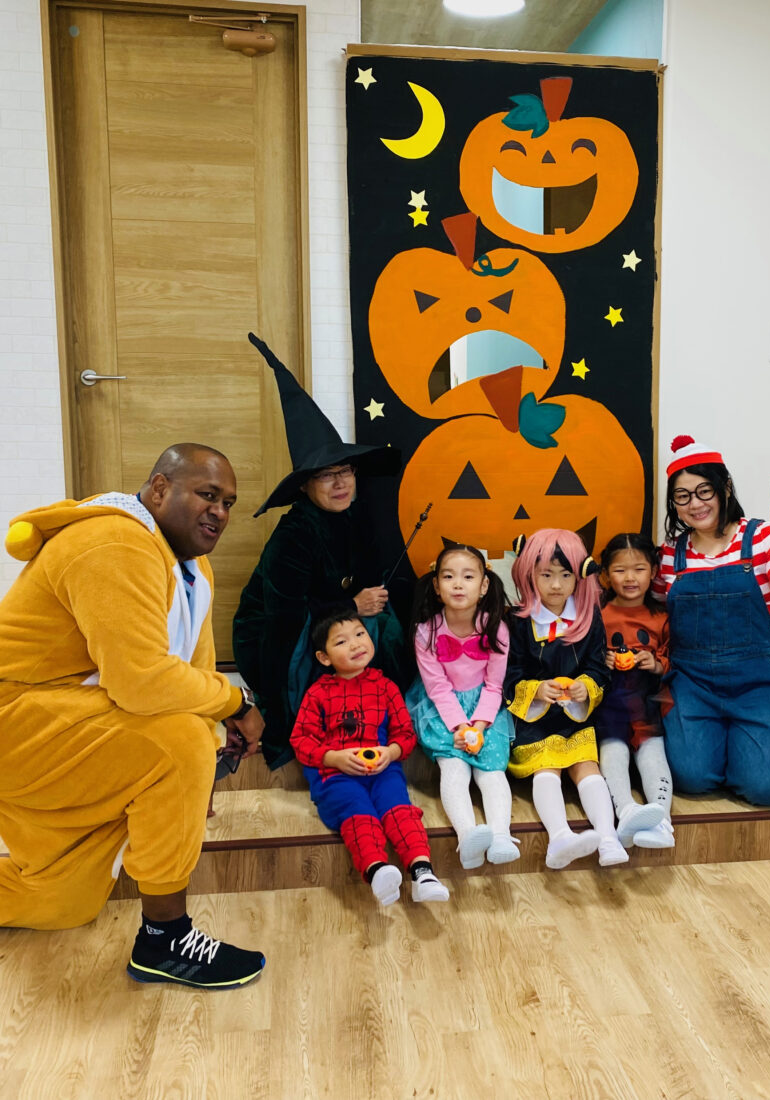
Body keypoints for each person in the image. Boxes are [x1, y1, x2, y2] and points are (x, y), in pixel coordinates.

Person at [0, 444, 266, 989]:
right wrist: (237, 705)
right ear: (160, 488)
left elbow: (192, 672)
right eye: (208, 494)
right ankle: (165, 941)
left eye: (229, 503)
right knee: (175, 742)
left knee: (62, 901)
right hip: (19, 723)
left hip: (69, 725)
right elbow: (142, 681)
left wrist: (210, 752)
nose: (220, 512)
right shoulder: (113, 541)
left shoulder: (193, 567)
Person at [234, 334, 404, 769]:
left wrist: (367, 604)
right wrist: (351, 606)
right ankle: (319, 724)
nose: (341, 482)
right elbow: (284, 617)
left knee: (387, 625)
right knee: (358, 627)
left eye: (346, 470)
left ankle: (377, 714)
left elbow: (370, 580)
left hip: (335, 617)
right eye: (327, 475)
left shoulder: (358, 514)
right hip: (280, 631)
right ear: (306, 486)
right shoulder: (293, 535)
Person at [654, 434, 770, 805]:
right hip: (693, 682)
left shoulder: (760, 537)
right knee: (691, 778)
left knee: (768, 789)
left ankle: (746, 752)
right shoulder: (671, 553)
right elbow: (655, 611)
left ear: (725, 488)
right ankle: (725, 749)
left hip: (759, 682)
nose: (694, 504)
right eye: (682, 496)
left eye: (704, 491)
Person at [290, 609, 449, 906]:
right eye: (341, 641)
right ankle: (377, 869)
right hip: (336, 776)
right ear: (324, 657)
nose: (355, 644)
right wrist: (333, 758)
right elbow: (301, 740)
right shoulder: (318, 694)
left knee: (400, 810)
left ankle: (422, 872)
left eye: (360, 634)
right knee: (358, 811)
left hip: (383, 770)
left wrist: (391, 752)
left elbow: (405, 734)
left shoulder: (385, 686)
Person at [504, 529, 628, 869]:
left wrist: (585, 687)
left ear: (580, 576)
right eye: (546, 575)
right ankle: (559, 837)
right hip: (535, 719)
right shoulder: (517, 622)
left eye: (565, 575)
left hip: (575, 716)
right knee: (546, 768)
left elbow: (598, 667)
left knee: (587, 767)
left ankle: (608, 837)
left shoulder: (590, 618)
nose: (556, 585)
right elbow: (509, 672)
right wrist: (535, 689)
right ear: (529, 573)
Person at [406, 545, 519, 870]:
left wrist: (479, 726)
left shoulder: (496, 628)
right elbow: (437, 688)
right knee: (454, 768)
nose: (458, 584)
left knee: (492, 770)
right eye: (448, 576)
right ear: (436, 586)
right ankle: (467, 836)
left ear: (483, 586)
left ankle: (501, 835)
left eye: (468, 577)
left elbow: (494, 686)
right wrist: (459, 727)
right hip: (443, 710)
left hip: (485, 708)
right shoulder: (426, 632)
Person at [596, 533, 674, 849]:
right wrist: (601, 662)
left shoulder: (662, 616)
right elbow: (580, 658)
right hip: (608, 705)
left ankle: (662, 821)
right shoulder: (596, 614)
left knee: (653, 751)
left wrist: (655, 664)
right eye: (620, 570)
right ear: (605, 575)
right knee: (612, 750)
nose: (630, 578)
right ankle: (625, 811)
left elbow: (673, 660)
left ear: (653, 571)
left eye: (639, 569)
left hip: (647, 701)